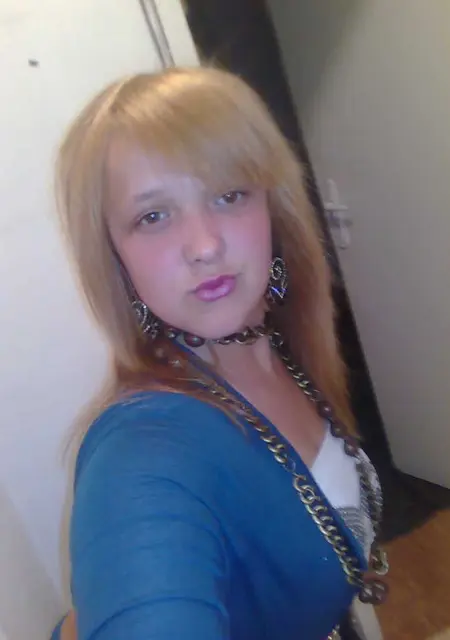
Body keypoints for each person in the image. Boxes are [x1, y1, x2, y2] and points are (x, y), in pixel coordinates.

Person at [51, 66, 388, 640]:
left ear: (273, 209)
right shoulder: (142, 453)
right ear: (114, 257)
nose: (205, 245)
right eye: (152, 216)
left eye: (230, 195)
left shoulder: (284, 347)